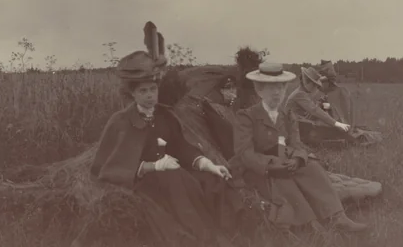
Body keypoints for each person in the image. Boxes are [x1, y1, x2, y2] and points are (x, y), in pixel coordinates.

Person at [89, 22, 241, 247]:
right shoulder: (120, 121)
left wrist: (208, 165)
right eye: (143, 91)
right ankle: (203, 239)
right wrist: (154, 167)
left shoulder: (165, 115)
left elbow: (183, 147)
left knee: (213, 181)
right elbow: (108, 167)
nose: (150, 96)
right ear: (132, 93)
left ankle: (227, 233)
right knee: (176, 181)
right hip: (145, 183)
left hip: (174, 174)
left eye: (153, 89)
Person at [230, 62, 370, 233]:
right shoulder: (247, 116)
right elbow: (245, 154)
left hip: (283, 159)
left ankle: (337, 217)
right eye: (271, 88)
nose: (277, 92)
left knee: (312, 168)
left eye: (281, 87)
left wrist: (298, 158)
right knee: (284, 182)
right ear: (259, 90)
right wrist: (273, 165)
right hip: (256, 169)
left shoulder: (287, 115)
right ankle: (311, 226)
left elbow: (296, 144)